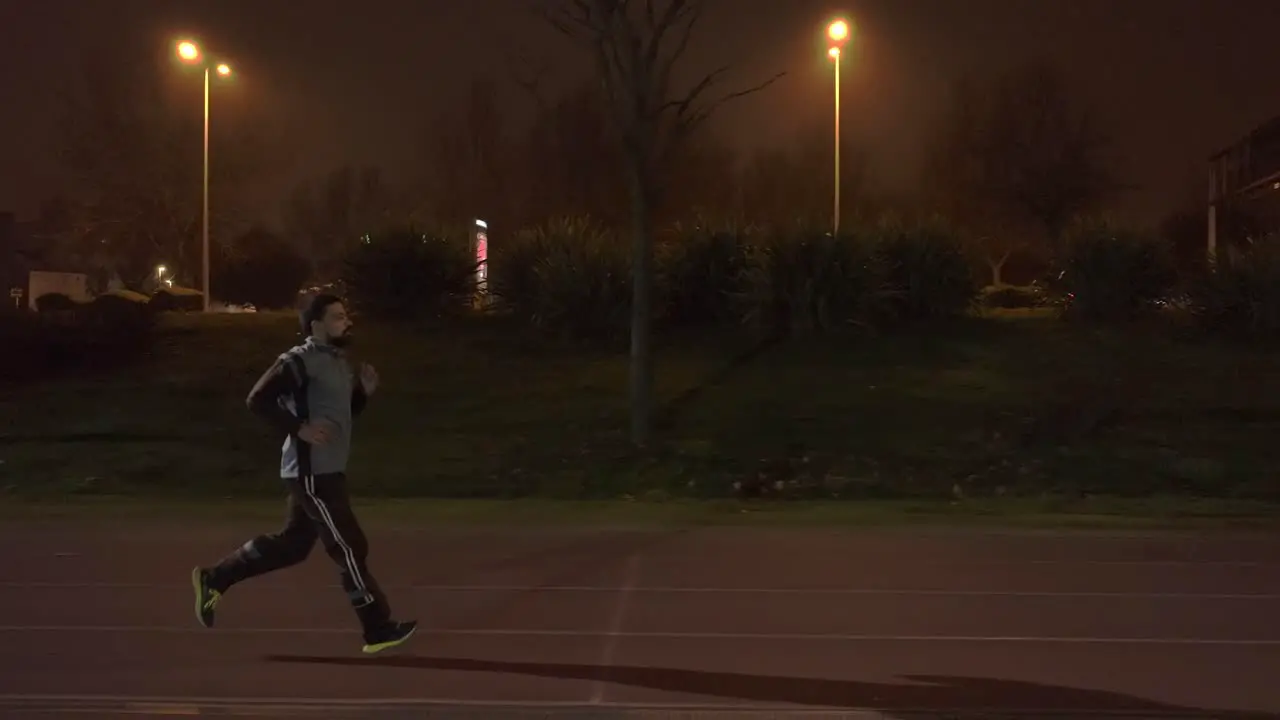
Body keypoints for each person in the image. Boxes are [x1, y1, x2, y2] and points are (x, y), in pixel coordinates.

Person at [190, 293, 416, 654]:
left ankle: (215, 578)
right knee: (349, 545)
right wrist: (300, 430)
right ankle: (378, 628)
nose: (347, 321)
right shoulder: (299, 360)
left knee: (293, 546)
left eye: (346, 315)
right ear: (316, 325)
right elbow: (258, 399)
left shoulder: (338, 361)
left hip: (327, 469)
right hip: (312, 472)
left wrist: (362, 395)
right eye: (338, 316)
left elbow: (338, 417)